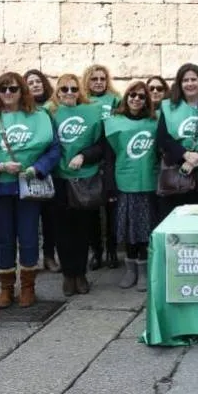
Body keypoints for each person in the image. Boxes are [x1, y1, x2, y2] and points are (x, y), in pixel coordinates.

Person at [0, 72, 61, 309]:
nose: (8, 93)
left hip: (28, 186)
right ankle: (6, 287)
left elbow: (54, 149)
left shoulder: (41, 116)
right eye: (4, 89)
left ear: (23, 91)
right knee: (4, 238)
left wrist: (36, 169)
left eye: (13, 89)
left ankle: (28, 287)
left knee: (29, 236)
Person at [47, 74, 106, 296]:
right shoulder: (48, 112)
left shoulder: (92, 111)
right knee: (62, 230)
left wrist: (84, 155)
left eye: (73, 89)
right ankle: (68, 275)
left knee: (82, 228)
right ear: (57, 92)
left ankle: (80, 274)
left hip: (85, 177)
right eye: (64, 89)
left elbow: (101, 144)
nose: (69, 93)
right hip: (59, 178)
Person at [105, 81, 159, 290]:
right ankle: (130, 269)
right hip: (124, 183)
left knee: (145, 228)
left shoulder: (154, 122)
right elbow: (109, 156)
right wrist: (110, 186)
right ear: (126, 97)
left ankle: (144, 270)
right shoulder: (114, 122)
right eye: (132, 95)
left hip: (147, 182)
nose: (136, 99)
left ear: (147, 101)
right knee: (127, 229)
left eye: (141, 96)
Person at [155, 63, 198, 222]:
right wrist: (185, 155)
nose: (189, 83)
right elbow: (163, 138)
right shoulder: (168, 106)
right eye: (185, 80)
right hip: (177, 173)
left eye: (194, 79)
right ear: (179, 84)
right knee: (176, 221)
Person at [82, 64, 120, 269]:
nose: (98, 82)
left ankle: (112, 250)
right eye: (94, 78)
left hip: (111, 155)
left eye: (102, 78)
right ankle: (95, 251)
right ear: (87, 80)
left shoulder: (115, 100)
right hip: (90, 154)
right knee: (91, 208)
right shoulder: (82, 100)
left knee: (112, 207)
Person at [24, 69, 60, 273]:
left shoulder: (51, 108)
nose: (36, 85)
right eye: (31, 82)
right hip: (24, 172)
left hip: (47, 170)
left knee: (50, 218)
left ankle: (49, 255)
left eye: (38, 81)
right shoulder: (19, 111)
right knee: (28, 220)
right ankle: (30, 258)